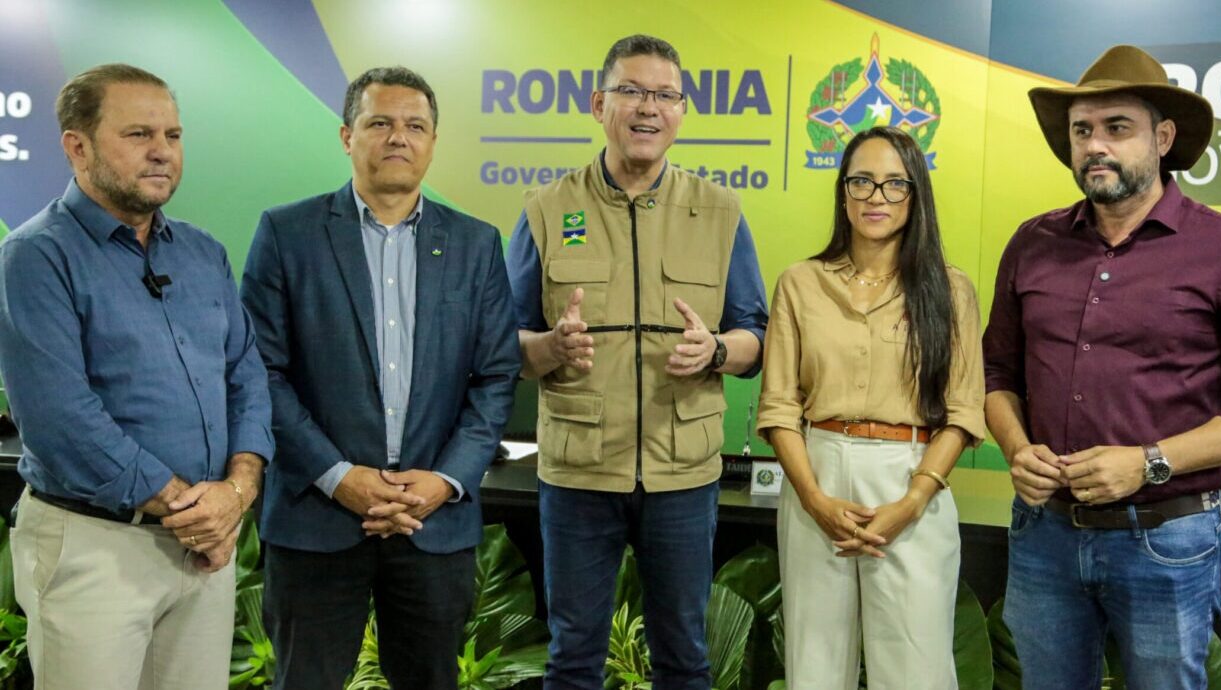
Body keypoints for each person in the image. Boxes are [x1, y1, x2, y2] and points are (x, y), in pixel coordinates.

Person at [984, 45, 1221, 690]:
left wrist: (1147, 460)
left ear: (1163, 138)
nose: (1096, 146)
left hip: (1169, 540)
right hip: (1044, 535)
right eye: (1082, 130)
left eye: (1117, 128)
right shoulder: (1032, 243)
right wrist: (1016, 447)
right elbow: (997, 374)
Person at [240, 66, 521, 690]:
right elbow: (262, 372)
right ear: (347, 136)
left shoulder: (476, 244)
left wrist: (445, 480)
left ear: (433, 141)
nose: (399, 137)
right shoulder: (288, 234)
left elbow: (497, 375)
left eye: (415, 125)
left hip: (432, 523)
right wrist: (341, 479)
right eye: (381, 123)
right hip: (317, 520)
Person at [504, 34, 768, 689]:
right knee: (572, 659)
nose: (648, 107)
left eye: (665, 95)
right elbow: (503, 344)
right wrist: (550, 349)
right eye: (631, 91)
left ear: (681, 113)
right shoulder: (546, 209)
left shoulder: (721, 211)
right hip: (578, 473)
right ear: (599, 104)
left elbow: (754, 335)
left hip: (683, 474)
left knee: (685, 658)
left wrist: (714, 350)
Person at [0, 63, 273, 690]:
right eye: (138, 134)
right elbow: (59, 419)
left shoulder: (203, 253)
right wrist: (191, 506)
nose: (161, 152)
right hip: (96, 548)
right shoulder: (36, 256)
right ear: (78, 146)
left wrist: (236, 491)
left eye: (173, 136)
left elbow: (247, 378)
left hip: (206, 549)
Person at [757, 126, 984, 689]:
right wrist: (812, 498)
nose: (875, 198)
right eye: (861, 181)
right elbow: (780, 406)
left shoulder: (949, 290)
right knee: (814, 662)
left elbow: (963, 410)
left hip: (911, 476)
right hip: (818, 474)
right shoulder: (800, 283)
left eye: (892, 185)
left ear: (916, 195)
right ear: (842, 193)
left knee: (915, 667)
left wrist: (913, 500)